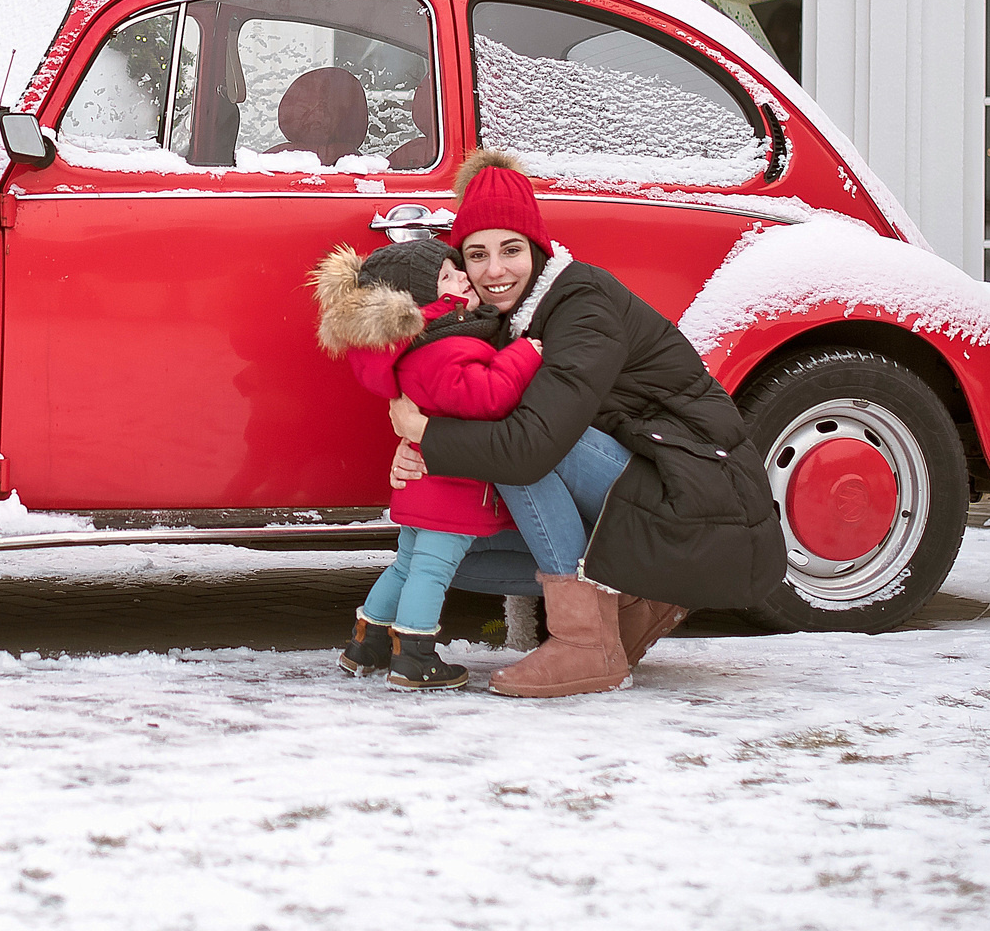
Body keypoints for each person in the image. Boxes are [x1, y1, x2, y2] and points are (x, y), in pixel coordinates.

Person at [389, 150, 789, 699]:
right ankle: (632, 601)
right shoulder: (500, 321)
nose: (494, 270)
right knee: (456, 554)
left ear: (537, 249)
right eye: (476, 255)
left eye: (510, 250)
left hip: (703, 502)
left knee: (521, 441)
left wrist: (429, 438)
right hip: (645, 482)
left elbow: (528, 450)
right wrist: (419, 444)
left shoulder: (582, 304)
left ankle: (585, 644)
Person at [312, 238, 539, 690]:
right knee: (431, 572)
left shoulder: (423, 344)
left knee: (406, 566)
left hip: (426, 484)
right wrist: (526, 353)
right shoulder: (444, 348)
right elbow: (486, 396)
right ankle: (415, 655)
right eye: (448, 277)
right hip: (449, 488)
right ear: (418, 301)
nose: (465, 279)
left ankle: (367, 642)